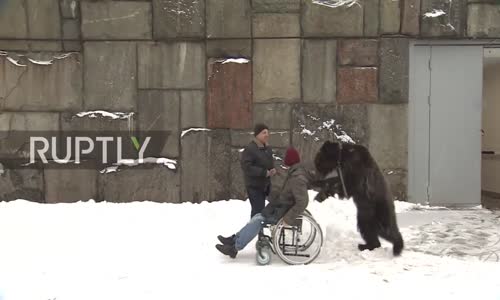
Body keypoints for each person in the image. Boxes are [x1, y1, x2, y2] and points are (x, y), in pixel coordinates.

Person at [216, 147, 311, 259]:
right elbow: (287, 195)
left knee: (258, 221)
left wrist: (288, 218)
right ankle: (234, 240)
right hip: (281, 209)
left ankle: (234, 248)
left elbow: (302, 202)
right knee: (257, 216)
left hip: (284, 213)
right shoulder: (294, 173)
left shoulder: (297, 178)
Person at [241, 123, 276, 218]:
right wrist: (264, 172)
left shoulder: (267, 148)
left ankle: (259, 231)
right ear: (257, 134)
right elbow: (246, 167)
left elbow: (268, 163)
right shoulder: (250, 149)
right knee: (257, 211)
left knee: (261, 210)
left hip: (264, 185)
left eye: (268, 133)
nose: (267, 135)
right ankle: (255, 231)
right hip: (254, 186)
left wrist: (272, 169)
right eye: (264, 132)